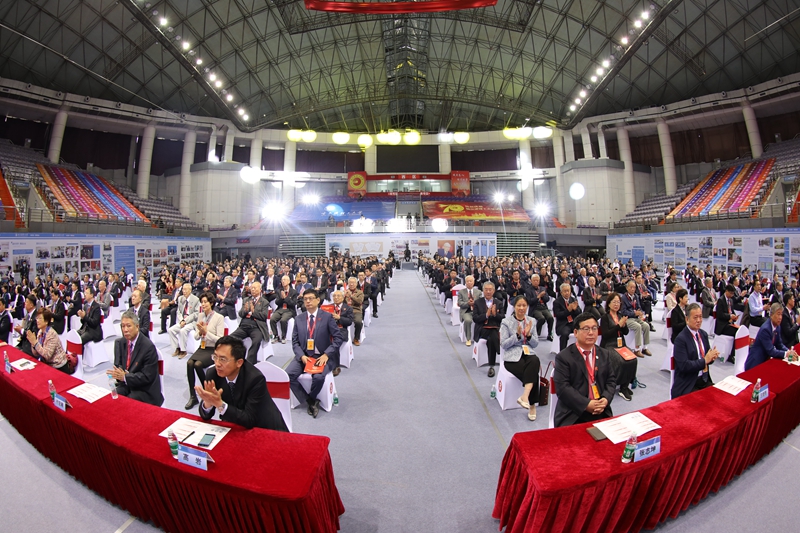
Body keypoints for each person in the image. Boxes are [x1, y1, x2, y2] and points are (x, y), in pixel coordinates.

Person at [196, 336, 288, 431]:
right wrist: (208, 402)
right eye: (215, 357)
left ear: (239, 362)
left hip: (264, 428)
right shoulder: (212, 374)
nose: (217, 364)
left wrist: (220, 405)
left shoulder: (255, 379)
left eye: (223, 359)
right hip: (234, 425)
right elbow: (206, 416)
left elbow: (249, 420)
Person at [287, 289, 344, 418]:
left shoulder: (327, 317)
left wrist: (327, 354)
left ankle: (311, 398)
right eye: (305, 299)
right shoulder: (299, 319)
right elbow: (295, 342)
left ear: (318, 300)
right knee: (288, 375)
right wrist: (301, 356)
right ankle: (310, 401)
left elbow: (338, 338)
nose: (308, 301)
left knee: (318, 377)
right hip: (304, 356)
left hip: (322, 356)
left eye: (311, 298)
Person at [553, 313, 616, 427]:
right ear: (576, 332)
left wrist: (605, 399)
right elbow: (563, 389)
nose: (591, 333)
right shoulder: (563, 357)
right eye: (586, 329)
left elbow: (611, 380)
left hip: (600, 409)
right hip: (574, 412)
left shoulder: (604, 354)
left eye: (594, 328)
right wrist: (586, 404)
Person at [109, 310, 163, 406]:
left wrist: (125, 377)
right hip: (127, 384)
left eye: (128, 326)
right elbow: (119, 365)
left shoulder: (148, 347)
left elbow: (147, 377)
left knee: (126, 403)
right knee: (112, 398)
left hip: (145, 389)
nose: (125, 330)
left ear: (137, 326)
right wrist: (118, 374)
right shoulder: (121, 342)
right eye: (123, 326)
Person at [499, 296, 541, 421]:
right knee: (533, 374)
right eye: (519, 305)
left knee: (535, 360)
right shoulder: (506, 322)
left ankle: (525, 396)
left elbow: (535, 344)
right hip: (512, 356)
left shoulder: (532, 321)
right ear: (514, 307)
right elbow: (503, 344)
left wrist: (529, 335)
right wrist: (517, 336)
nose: (521, 308)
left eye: (524, 305)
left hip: (528, 352)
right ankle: (532, 405)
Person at [184, 292, 226, 409]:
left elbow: (220, 340)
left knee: (198, 364)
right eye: (202, 302)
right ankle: (193, 396)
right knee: (190, 363)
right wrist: (200, 332)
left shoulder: (219, 317)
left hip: (213, 349)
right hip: (202, 347)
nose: (203, 304)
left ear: (211, 303)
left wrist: (206, 332)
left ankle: (208, 392)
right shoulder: (201, 316)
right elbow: (196, 337)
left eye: (205, 302)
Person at [671, 303, 719, 399]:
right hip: (688, 383)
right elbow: (684, 366)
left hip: (704, 380)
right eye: (695, 317)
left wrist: (712, 358)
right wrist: (705, 361)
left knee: (719, 398)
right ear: (687, 319)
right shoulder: (681, 339)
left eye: (700, 317)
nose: (699, 320)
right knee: (702, 403)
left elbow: (707, 358)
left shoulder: (703, 334)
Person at [601, 293, 638, 400]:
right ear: (609, 304)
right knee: (621, 361)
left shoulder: (620, 316)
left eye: (618, 302)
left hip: (621, 344)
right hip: (609, 345)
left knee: (633, 359)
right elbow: (606, 334)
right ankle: (619, 385)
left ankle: (625, 385)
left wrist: (624, 325)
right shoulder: (605, 317)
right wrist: (618, 326)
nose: (616, 304)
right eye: (614, 302)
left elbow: (625, 332)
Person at [745, 303, 798, 371]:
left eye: (781, 314)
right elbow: (771, 351)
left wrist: (789, 351)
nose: (780, 317)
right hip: (756, 363)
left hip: (766, 360)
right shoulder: (765, 329)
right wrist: (786, 354)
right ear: (771, 315)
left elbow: (779, 344)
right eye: (778, 314)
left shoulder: (777, 326)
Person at [473, 281, 506, 377]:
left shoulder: (498, 303)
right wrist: (486, 315)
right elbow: (475, 318)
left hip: (495, 328)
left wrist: (495, 315)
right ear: (483, 291)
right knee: (493, 335)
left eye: (490, 290)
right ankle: (499, 351)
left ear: (494, 291)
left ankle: (491, 366)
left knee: (492, 338)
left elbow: (503, 318)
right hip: (482, 328)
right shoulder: (477, 302)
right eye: (486, 290)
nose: (488, 292)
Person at [28, 308, 71, 373]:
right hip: (47, 364)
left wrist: (35, 343)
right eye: (37, 318)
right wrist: (33, 343)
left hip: (58, 366)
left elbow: (47, 356)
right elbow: (36, 354)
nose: (37, 321)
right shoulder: (40, 332)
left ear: (46, 321)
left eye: (40, 318)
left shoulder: (51, 334)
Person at [619, 280, 651, 357]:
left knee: (646, 326)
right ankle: (637, 349)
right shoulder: (623, 298)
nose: (633, 289)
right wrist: (634, 313)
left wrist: (639, 312)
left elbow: (638, 306)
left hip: (636, 317)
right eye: (631, 287)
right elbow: (623, 312)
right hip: (628, 318)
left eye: (634, 287)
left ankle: (645, 347)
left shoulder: (636, 296)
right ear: (627, 288)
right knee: (638, 327)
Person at [169, 283, 200, 358]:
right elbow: (179, 312)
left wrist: (185, 321)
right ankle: (177, 348)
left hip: (192, 321)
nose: (184, 291)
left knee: (182, 331)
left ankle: (183, 351)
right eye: (183, 289)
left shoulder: (196, 299)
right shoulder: (180, 298)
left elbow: (196, 314)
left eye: (186, 289)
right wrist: (181, 320)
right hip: (182, 321)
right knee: (171, 330)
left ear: (190, 290)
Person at [329, 290, 354, 377]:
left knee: (334, 343)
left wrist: (339, 318)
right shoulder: (328, 307)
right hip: (329, 329)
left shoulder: (348, 308)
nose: (336, 298)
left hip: (341, 330)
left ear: (343, 298)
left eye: (338, 296)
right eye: (334, 296)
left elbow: (349, 321)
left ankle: (336, 366)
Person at [553, 283, 581, 351]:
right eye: (565, 291)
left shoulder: (573, 300)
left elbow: (580, 313)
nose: (567, 293)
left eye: (568, 291)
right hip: (563, 324)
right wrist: (568, 310)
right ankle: (562, 353)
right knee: (565, 334)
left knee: (583, 331)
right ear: (561, 292)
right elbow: (558, 315)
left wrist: (575, 310)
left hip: (573, 323)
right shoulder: (556, 302)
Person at [270, 276, 297, 343]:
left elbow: (293, 303)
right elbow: (277, 302)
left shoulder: (293, 292)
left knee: (283, 320)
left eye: (284, 280)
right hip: (280, 309)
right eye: (282, 280)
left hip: (289, 310)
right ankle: (275, 335)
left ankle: (283, 336)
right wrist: (281, 298)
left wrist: (285, 298)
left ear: (289, 281)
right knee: (272, 319)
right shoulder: (279, 291)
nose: (283, 281)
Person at [526, 274, 553, 341]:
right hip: (535, 308)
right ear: (531, 281)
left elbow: (547, 299)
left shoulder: (543, 288)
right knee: (541, 318)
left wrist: (543, 297)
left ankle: (549, 334)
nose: (536, 282)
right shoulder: (528, 290)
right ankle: (535, 333)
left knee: (550, 318)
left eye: (537, 280)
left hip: (543, 307)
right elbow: (529, 302)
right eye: (534, 280)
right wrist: (538, 297)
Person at [457, 275, 482, 347]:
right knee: (468, 320)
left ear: (473, 282)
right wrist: (468, 303)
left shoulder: (478, 292)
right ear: (465, 282)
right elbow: (460, 303)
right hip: (466, 311)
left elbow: (481, 302)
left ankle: (479, 337)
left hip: (476, 311)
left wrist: (475, 303)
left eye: (470, 281)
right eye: (467, 281)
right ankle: (468, 339)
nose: (469, 283)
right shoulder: (461, 292)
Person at [344, 276, 365, 346]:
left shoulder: (360, 292)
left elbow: (359, 302)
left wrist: (351, 296)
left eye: (353, 283)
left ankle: (356, 338)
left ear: (356, 284)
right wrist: (344, 296)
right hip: (346, 310)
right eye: (350, 283)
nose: (351, 284)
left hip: (356, 310)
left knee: (358, 322)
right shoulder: (345, 291)